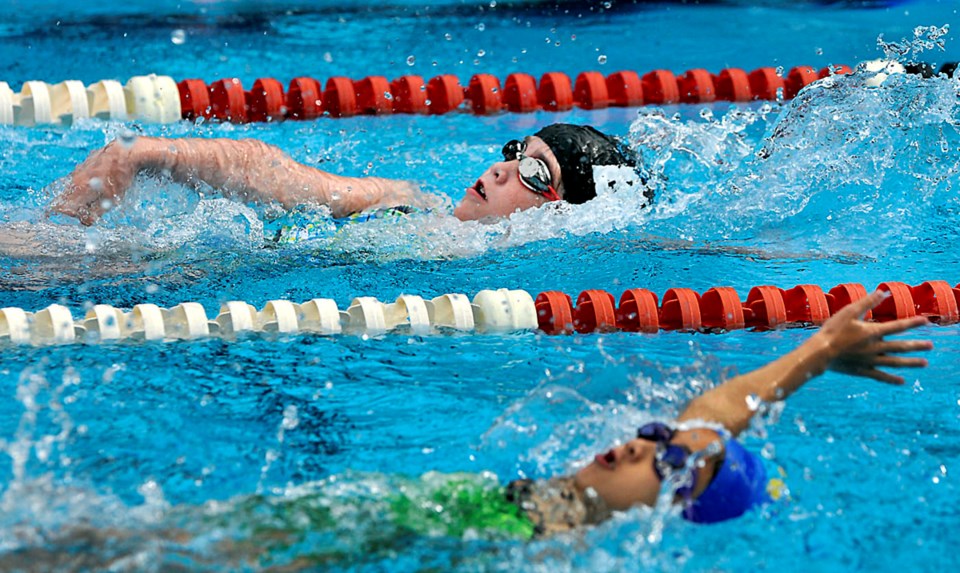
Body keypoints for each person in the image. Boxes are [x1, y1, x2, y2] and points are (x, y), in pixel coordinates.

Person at [49, 124, 645, 228]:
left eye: (535, 171)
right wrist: (151, 153)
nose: (501, 168)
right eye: (517, 151)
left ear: (562, 213)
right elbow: (280, 175)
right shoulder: (409, 202)